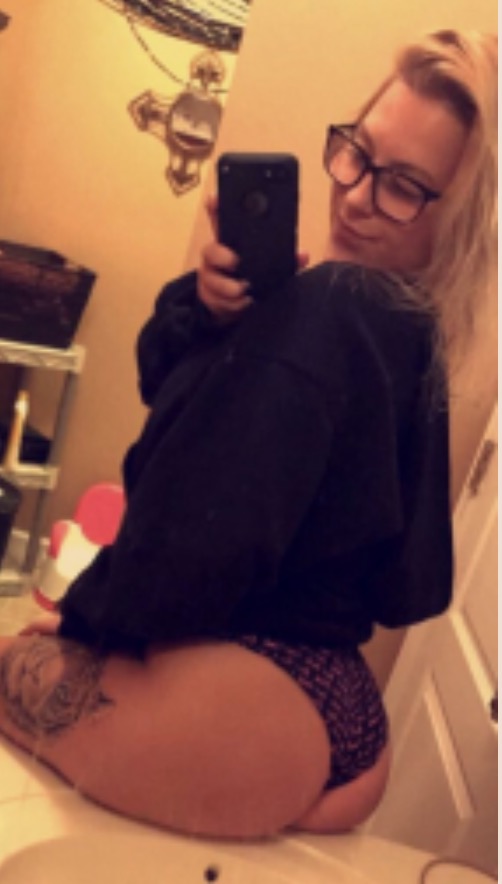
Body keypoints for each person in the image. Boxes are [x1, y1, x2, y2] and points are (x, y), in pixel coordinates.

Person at [0, 29, 497, 839]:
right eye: (358, 153)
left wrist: (91, 623)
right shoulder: (402, 339)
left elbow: (193, 537)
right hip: (322, 693)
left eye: (404, 186)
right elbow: (410, 576)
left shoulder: (336, 309)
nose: (356, 196)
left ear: (463, 222)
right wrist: (212, 311)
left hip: (246, 699)